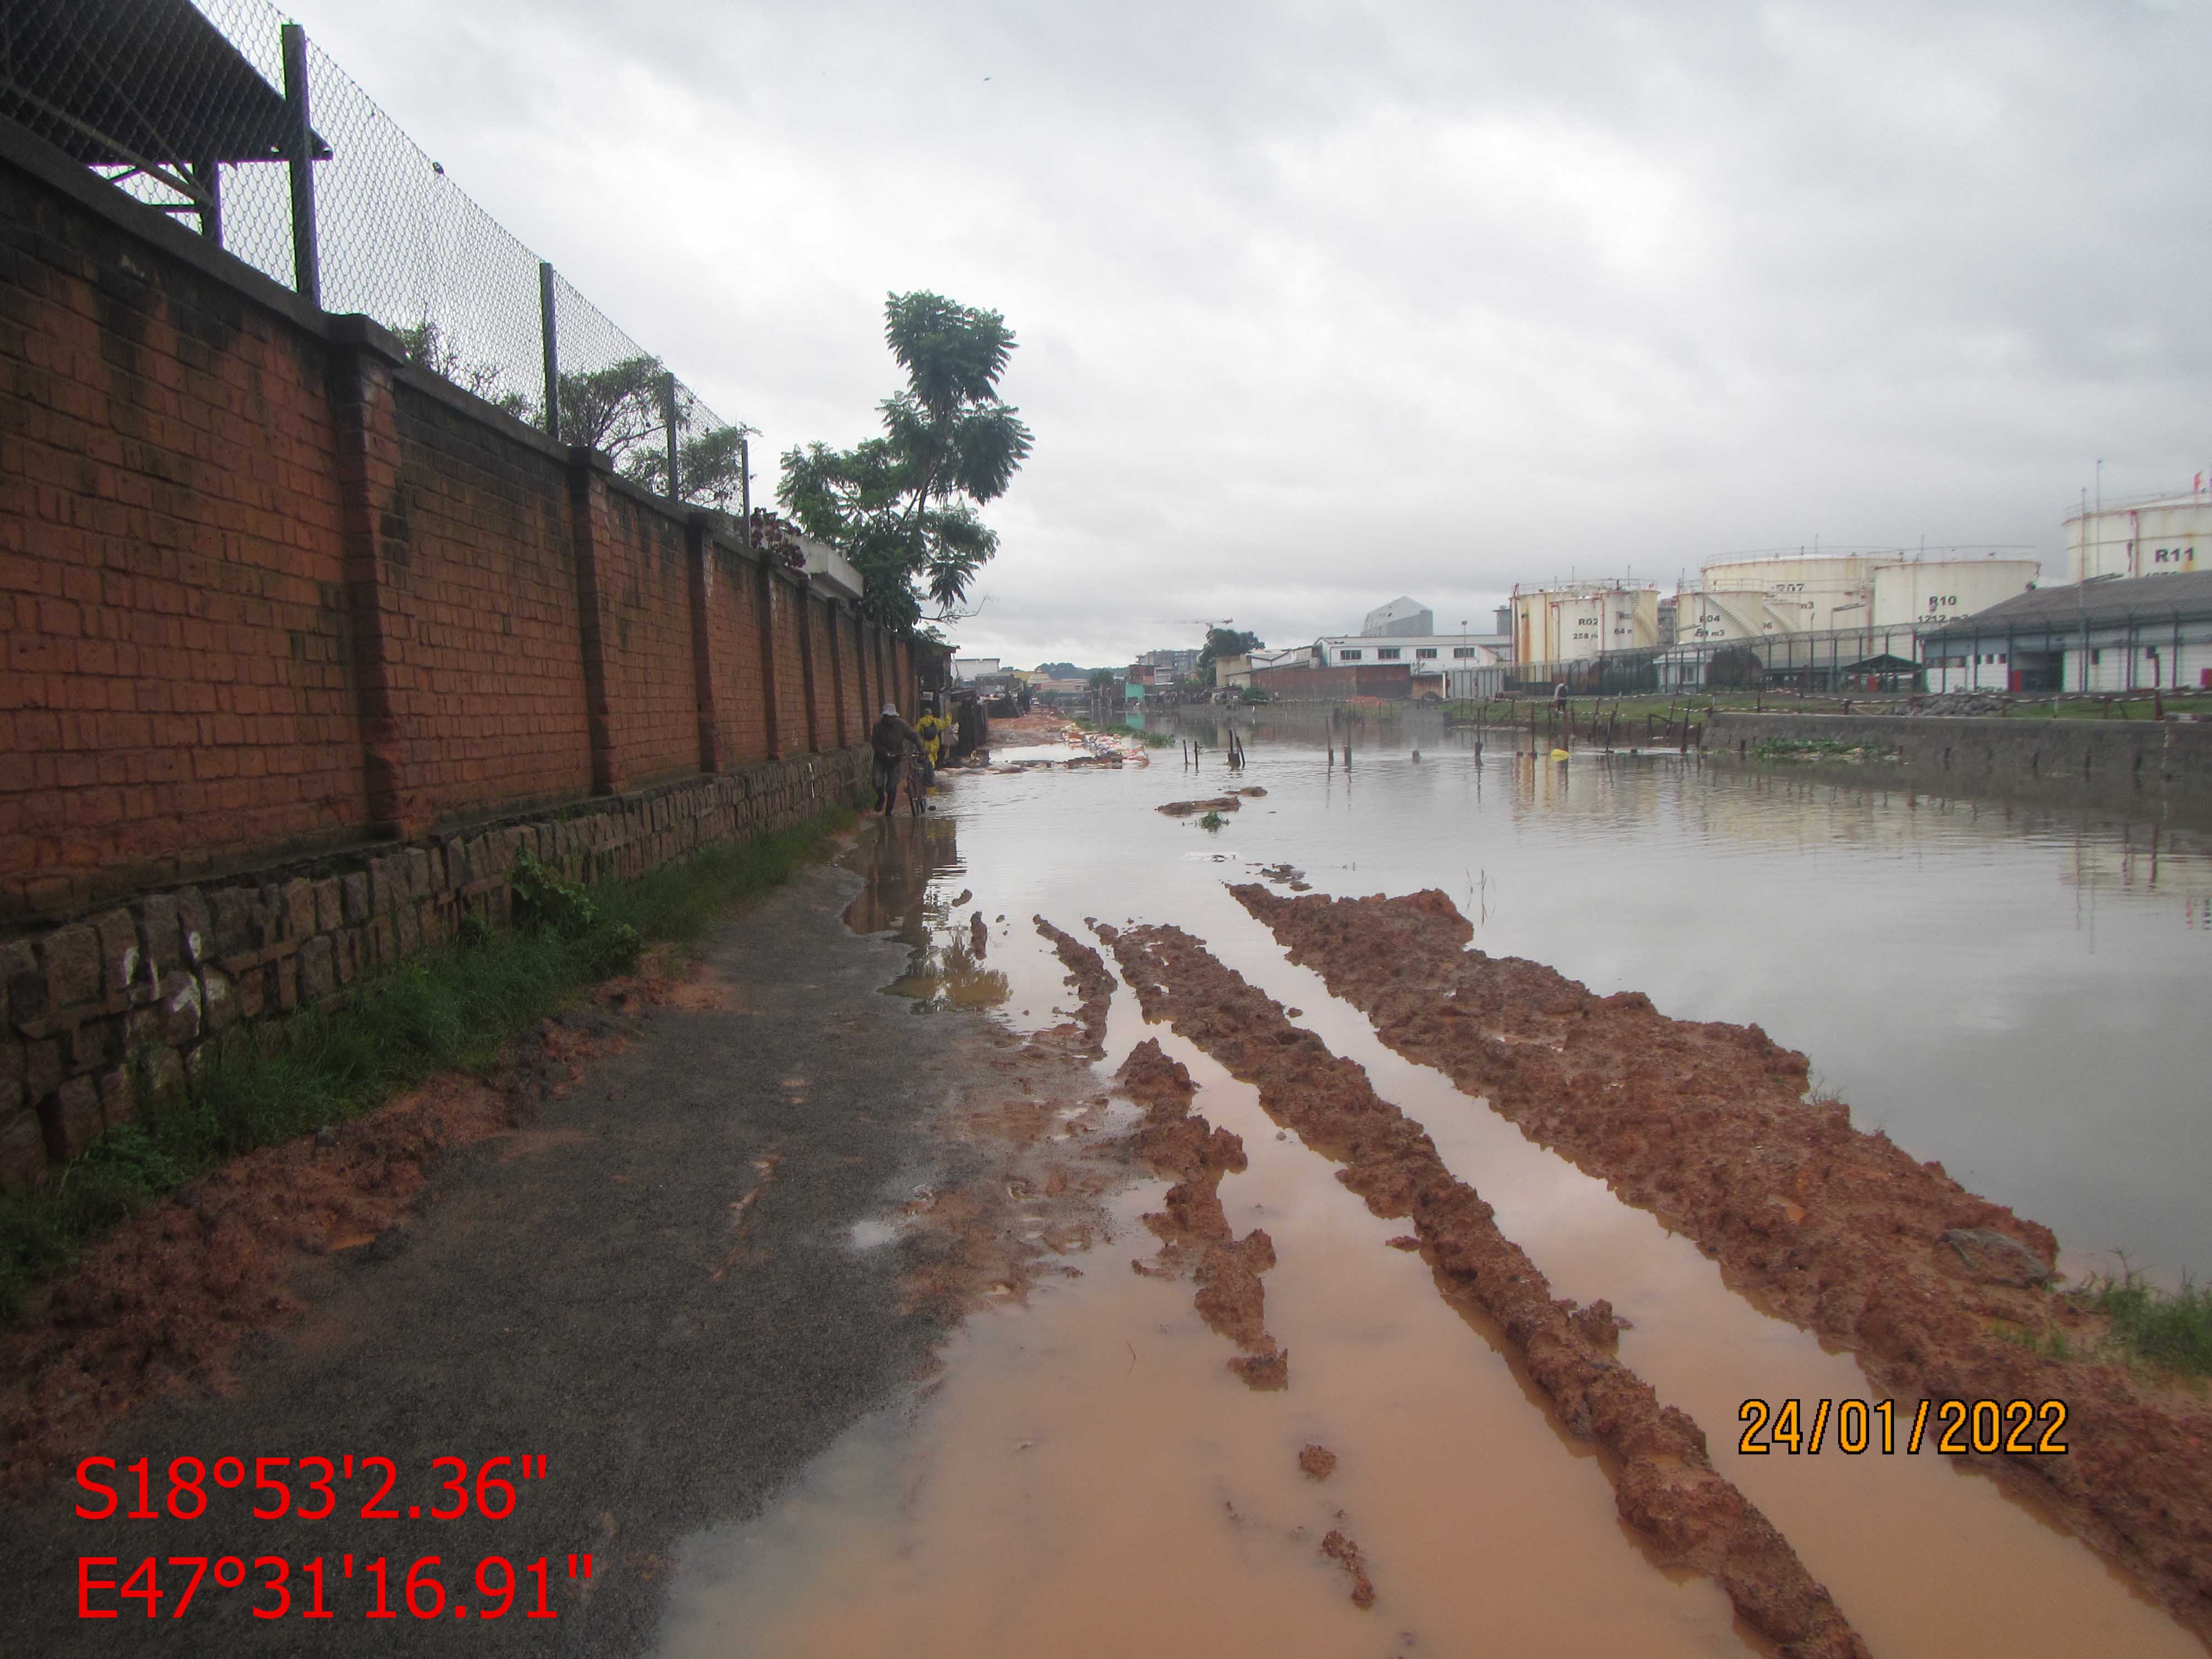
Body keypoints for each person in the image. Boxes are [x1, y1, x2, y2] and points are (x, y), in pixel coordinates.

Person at [870, 702, 920, 814]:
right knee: (877, 781)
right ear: (884, 717)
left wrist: (921, 749)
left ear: (895, 717)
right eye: (887, 717)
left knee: (892, 786)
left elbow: (914, 736)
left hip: (895, 759)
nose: (890, 720)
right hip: (880, 759)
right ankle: (881, 798)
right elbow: (875, 743)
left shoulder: (902, 726)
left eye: (892, 717)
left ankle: (889, 811)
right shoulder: (877, 728)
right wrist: (884, 753)